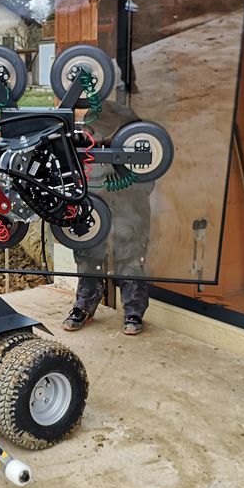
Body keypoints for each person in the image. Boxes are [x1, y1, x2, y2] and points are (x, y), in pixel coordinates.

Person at [62, 96, 153, 336]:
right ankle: (84, 305)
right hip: (93, 204)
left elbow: (149, 173)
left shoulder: (133, 135)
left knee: (131, 254)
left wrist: (136, 195)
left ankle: (133, 311)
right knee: (87, 253)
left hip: (129, 203)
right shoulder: (84, 140)